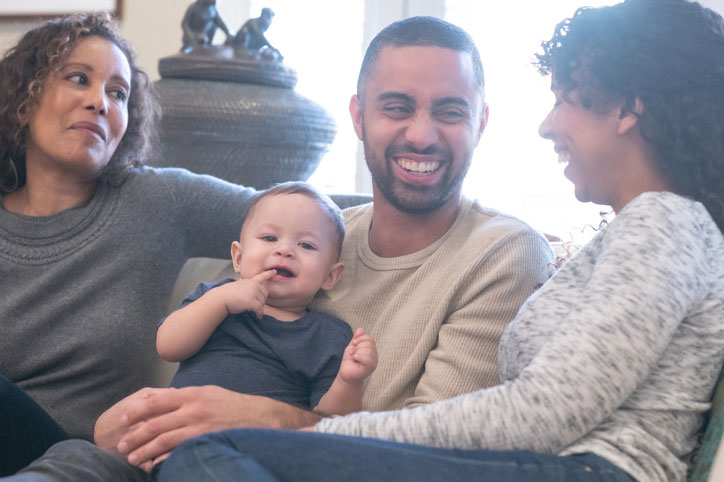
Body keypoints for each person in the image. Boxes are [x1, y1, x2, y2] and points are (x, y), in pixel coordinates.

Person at [150, 1, 724, 481]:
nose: (549, 125)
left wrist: (315, 429)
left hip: (591, 471)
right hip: (556, 465)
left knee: (208, 456)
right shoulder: (639, 229)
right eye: (397, 107)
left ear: (629, 108)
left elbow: (543, 413)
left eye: (566, 97)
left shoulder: (663, 222)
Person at [4, 15, 552, 482]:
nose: (422, 135)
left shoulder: (498, 254)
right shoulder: (311, 233)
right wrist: (122, 425)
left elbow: (436, 452)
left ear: (481, 122)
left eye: (450, 112)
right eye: (396, 107)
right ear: (358, 118)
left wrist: (254, 417)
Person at [0, 11, 256, 476]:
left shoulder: (159, 200)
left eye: (118, 94)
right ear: (23, 99)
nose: (100, 103)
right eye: (78, 79)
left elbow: (298, 213)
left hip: (95, 458)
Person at [159, 182, 377, 420]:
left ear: (330, 276)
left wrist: (349, 381)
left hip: (259, 447)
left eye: (306, 245)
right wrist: (220, 301)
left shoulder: (327, 336)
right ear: (239, 258)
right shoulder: (213, 297)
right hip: (173, 430)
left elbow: (332, 423)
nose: (284, 250)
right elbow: (168, 346)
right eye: (269, 237)